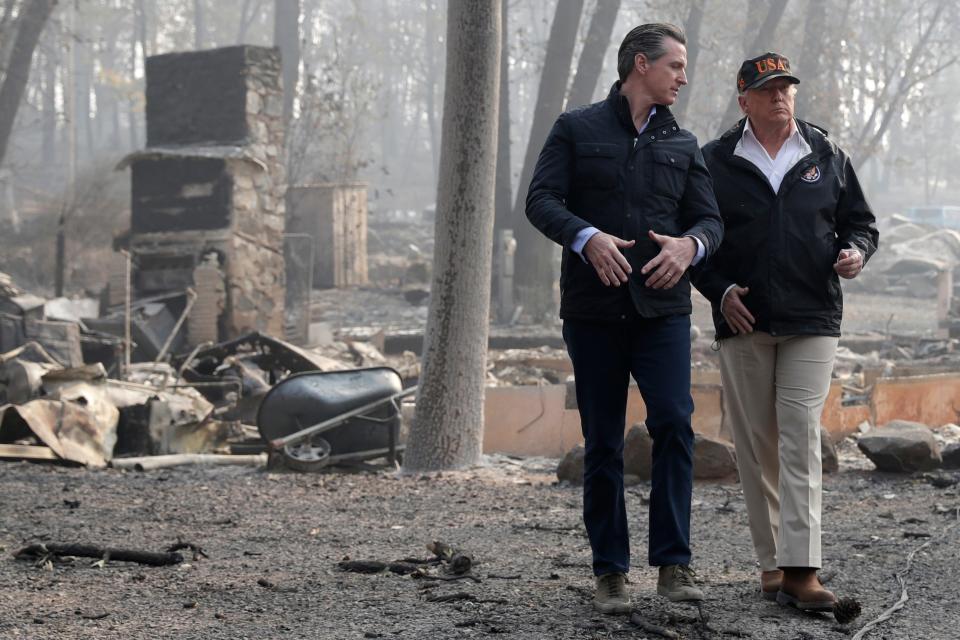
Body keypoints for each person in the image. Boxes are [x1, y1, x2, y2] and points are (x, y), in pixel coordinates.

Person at [525, 23, 723, 614]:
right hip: (593, 312)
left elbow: (710, 222)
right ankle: (610, 572)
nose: (684, 76)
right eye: (676, 66)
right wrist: (585, 238)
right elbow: (540, 200)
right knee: (604, 441)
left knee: (674, 425)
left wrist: (691, 247)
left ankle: (674, 564)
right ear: (642, 64)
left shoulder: (684, 145)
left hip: (662, 311)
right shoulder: (576, 128)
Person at [692, 53, 878, 610]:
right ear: (744, 100)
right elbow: (697, 242)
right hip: (743, 320)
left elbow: (861, 224)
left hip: (812, 317)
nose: (780, 97)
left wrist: (855, 252)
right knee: (757, 446)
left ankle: (803, 570)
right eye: (768, 89)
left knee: (799, 434)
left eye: (787, 88)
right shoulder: (713, 161)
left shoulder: (827, 153)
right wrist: (720, 292)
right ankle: (772, 566)